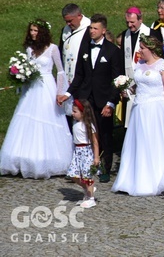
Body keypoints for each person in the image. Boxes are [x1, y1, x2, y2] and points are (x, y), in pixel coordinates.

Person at [111, 34, 164, 196]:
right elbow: (137, 86)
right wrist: (126, 89)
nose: (139, 51)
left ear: (151, 49)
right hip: (139, 109)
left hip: (156, 110)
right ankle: (135, 179)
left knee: (155, 142)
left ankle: (156, 179)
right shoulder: (139, 65)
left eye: (142, 48)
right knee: (139, 143)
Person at [0, 20, 72, 178]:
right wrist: (20, 76)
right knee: (26, 120)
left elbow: (60, 71)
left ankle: (47, 159)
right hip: (31, 88)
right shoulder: (29, 49)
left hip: (46, 86)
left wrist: (60, 92)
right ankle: (23, 158)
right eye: (31, 30)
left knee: (46, 118)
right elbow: (27, 67)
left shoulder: (52, 48)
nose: (33, 33)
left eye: (36, 31)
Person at [61, 13, 124, 182]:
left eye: (95, 28)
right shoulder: (85, 48)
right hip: (85, 99)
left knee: (104, 134)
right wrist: (67, 94)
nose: (92, 31)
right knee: (84, 133)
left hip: (103, 100)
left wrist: (110, 103)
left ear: (103, 31)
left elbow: (117, 80)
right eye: (90, 28)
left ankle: (104, 167)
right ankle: (84, 167)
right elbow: (79, 75)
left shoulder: (113, 51)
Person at [66, 99, 100, 208]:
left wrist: (96, 157)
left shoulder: (88, 125)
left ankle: (91, 198)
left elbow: (95, 142)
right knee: (73, 174)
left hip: (86, 152)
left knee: (87, 176)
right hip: (77, 153)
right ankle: (87, 189)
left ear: (83, 112)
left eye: (75, 111)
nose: (72, 113)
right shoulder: (75, 124)